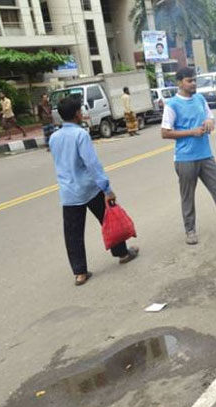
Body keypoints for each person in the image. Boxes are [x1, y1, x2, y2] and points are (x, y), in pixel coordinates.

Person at [48, 95, 139, 286]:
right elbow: (92, 164)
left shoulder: (54, 138)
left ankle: (80, 273)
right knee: (108, 220)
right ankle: (122, 253)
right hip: (89, 188)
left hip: (68, 193)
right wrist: (107, 188)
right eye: (80, 111)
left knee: (73, 234)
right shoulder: (80, 135)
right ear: (76, 114)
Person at [161, 67, 216, 245]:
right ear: (180, 83)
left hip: (205, 154)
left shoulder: (200, 99)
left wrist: (210, 121)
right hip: (185, 158)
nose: (193, 83)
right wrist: (191, 132)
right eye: (189, 80)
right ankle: (190, 231)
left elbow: (210, 117)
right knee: (188, 196)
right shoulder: (172, 104)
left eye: (194, 80)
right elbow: (165, 133)